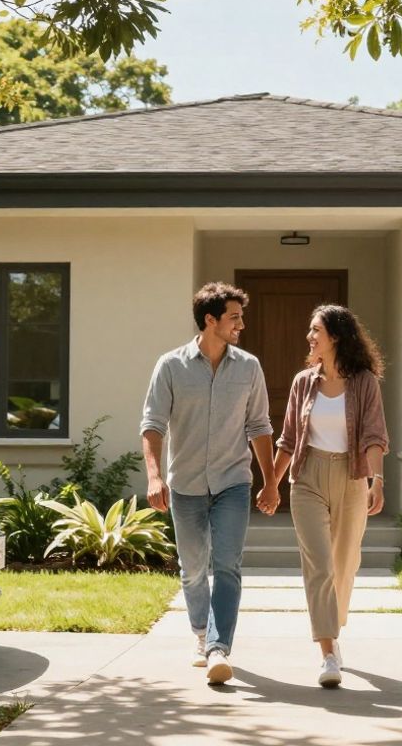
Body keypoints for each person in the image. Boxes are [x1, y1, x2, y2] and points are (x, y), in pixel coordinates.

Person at [140, 282, 278, 685]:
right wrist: (154, 476)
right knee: (193, 568)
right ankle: (201, 633)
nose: (241, 325)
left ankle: (218, 647)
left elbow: (260, 427)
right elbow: (152, 424)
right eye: (234, 318)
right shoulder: (171, 366)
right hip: (185, 484)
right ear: (210, 320)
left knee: (228, 565)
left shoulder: (249, 367)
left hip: (233, 481)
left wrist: (270, 482)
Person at [270, 304, 388, 688]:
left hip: (351, 477)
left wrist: (376, 481)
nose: (309, 337)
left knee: (344, 564)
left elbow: (373, 435)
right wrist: (271, 483)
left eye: (315, 330)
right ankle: (327, 652)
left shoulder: (364, 382)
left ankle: (332, 627)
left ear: (335, 336)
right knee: (319, 564)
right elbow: (288, 439)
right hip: (307, 477)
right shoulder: (303, 383)